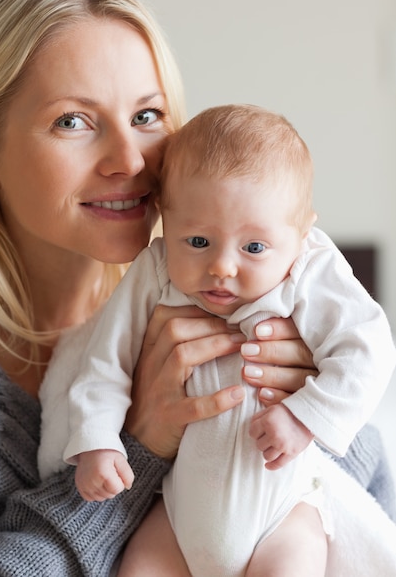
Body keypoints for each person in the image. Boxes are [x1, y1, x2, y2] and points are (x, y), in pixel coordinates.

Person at [0, 0, 393, 577]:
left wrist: (300, 391)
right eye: (73, 121)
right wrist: (141, 446)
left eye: (147, 116)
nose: (130, 160)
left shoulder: (245, 287)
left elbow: (369, 506)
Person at [39, 104, 396, 577]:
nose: (222, 267)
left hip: (282, 513)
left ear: (301, 233)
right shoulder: (157, 269)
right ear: (167, 217)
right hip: (178, 513)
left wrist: (305, 416)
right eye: (198, 241)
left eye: (253, 248)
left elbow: (367, 347)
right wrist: (97, 441)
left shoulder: (308, 269)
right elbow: (107, 360)